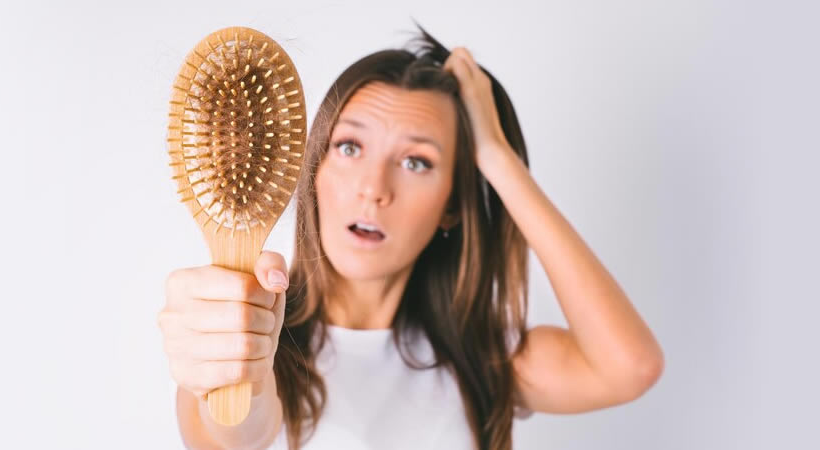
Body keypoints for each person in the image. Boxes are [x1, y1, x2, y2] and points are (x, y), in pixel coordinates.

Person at [158, 25, 664, 450]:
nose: (374, 189)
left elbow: (629, 366)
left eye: (416, 161)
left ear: (450, 206)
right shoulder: (247, 338)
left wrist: (496, 157)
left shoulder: (482, 359)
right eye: (351, 147)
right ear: (313, 168)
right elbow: (230, 434)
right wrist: (232, 361)